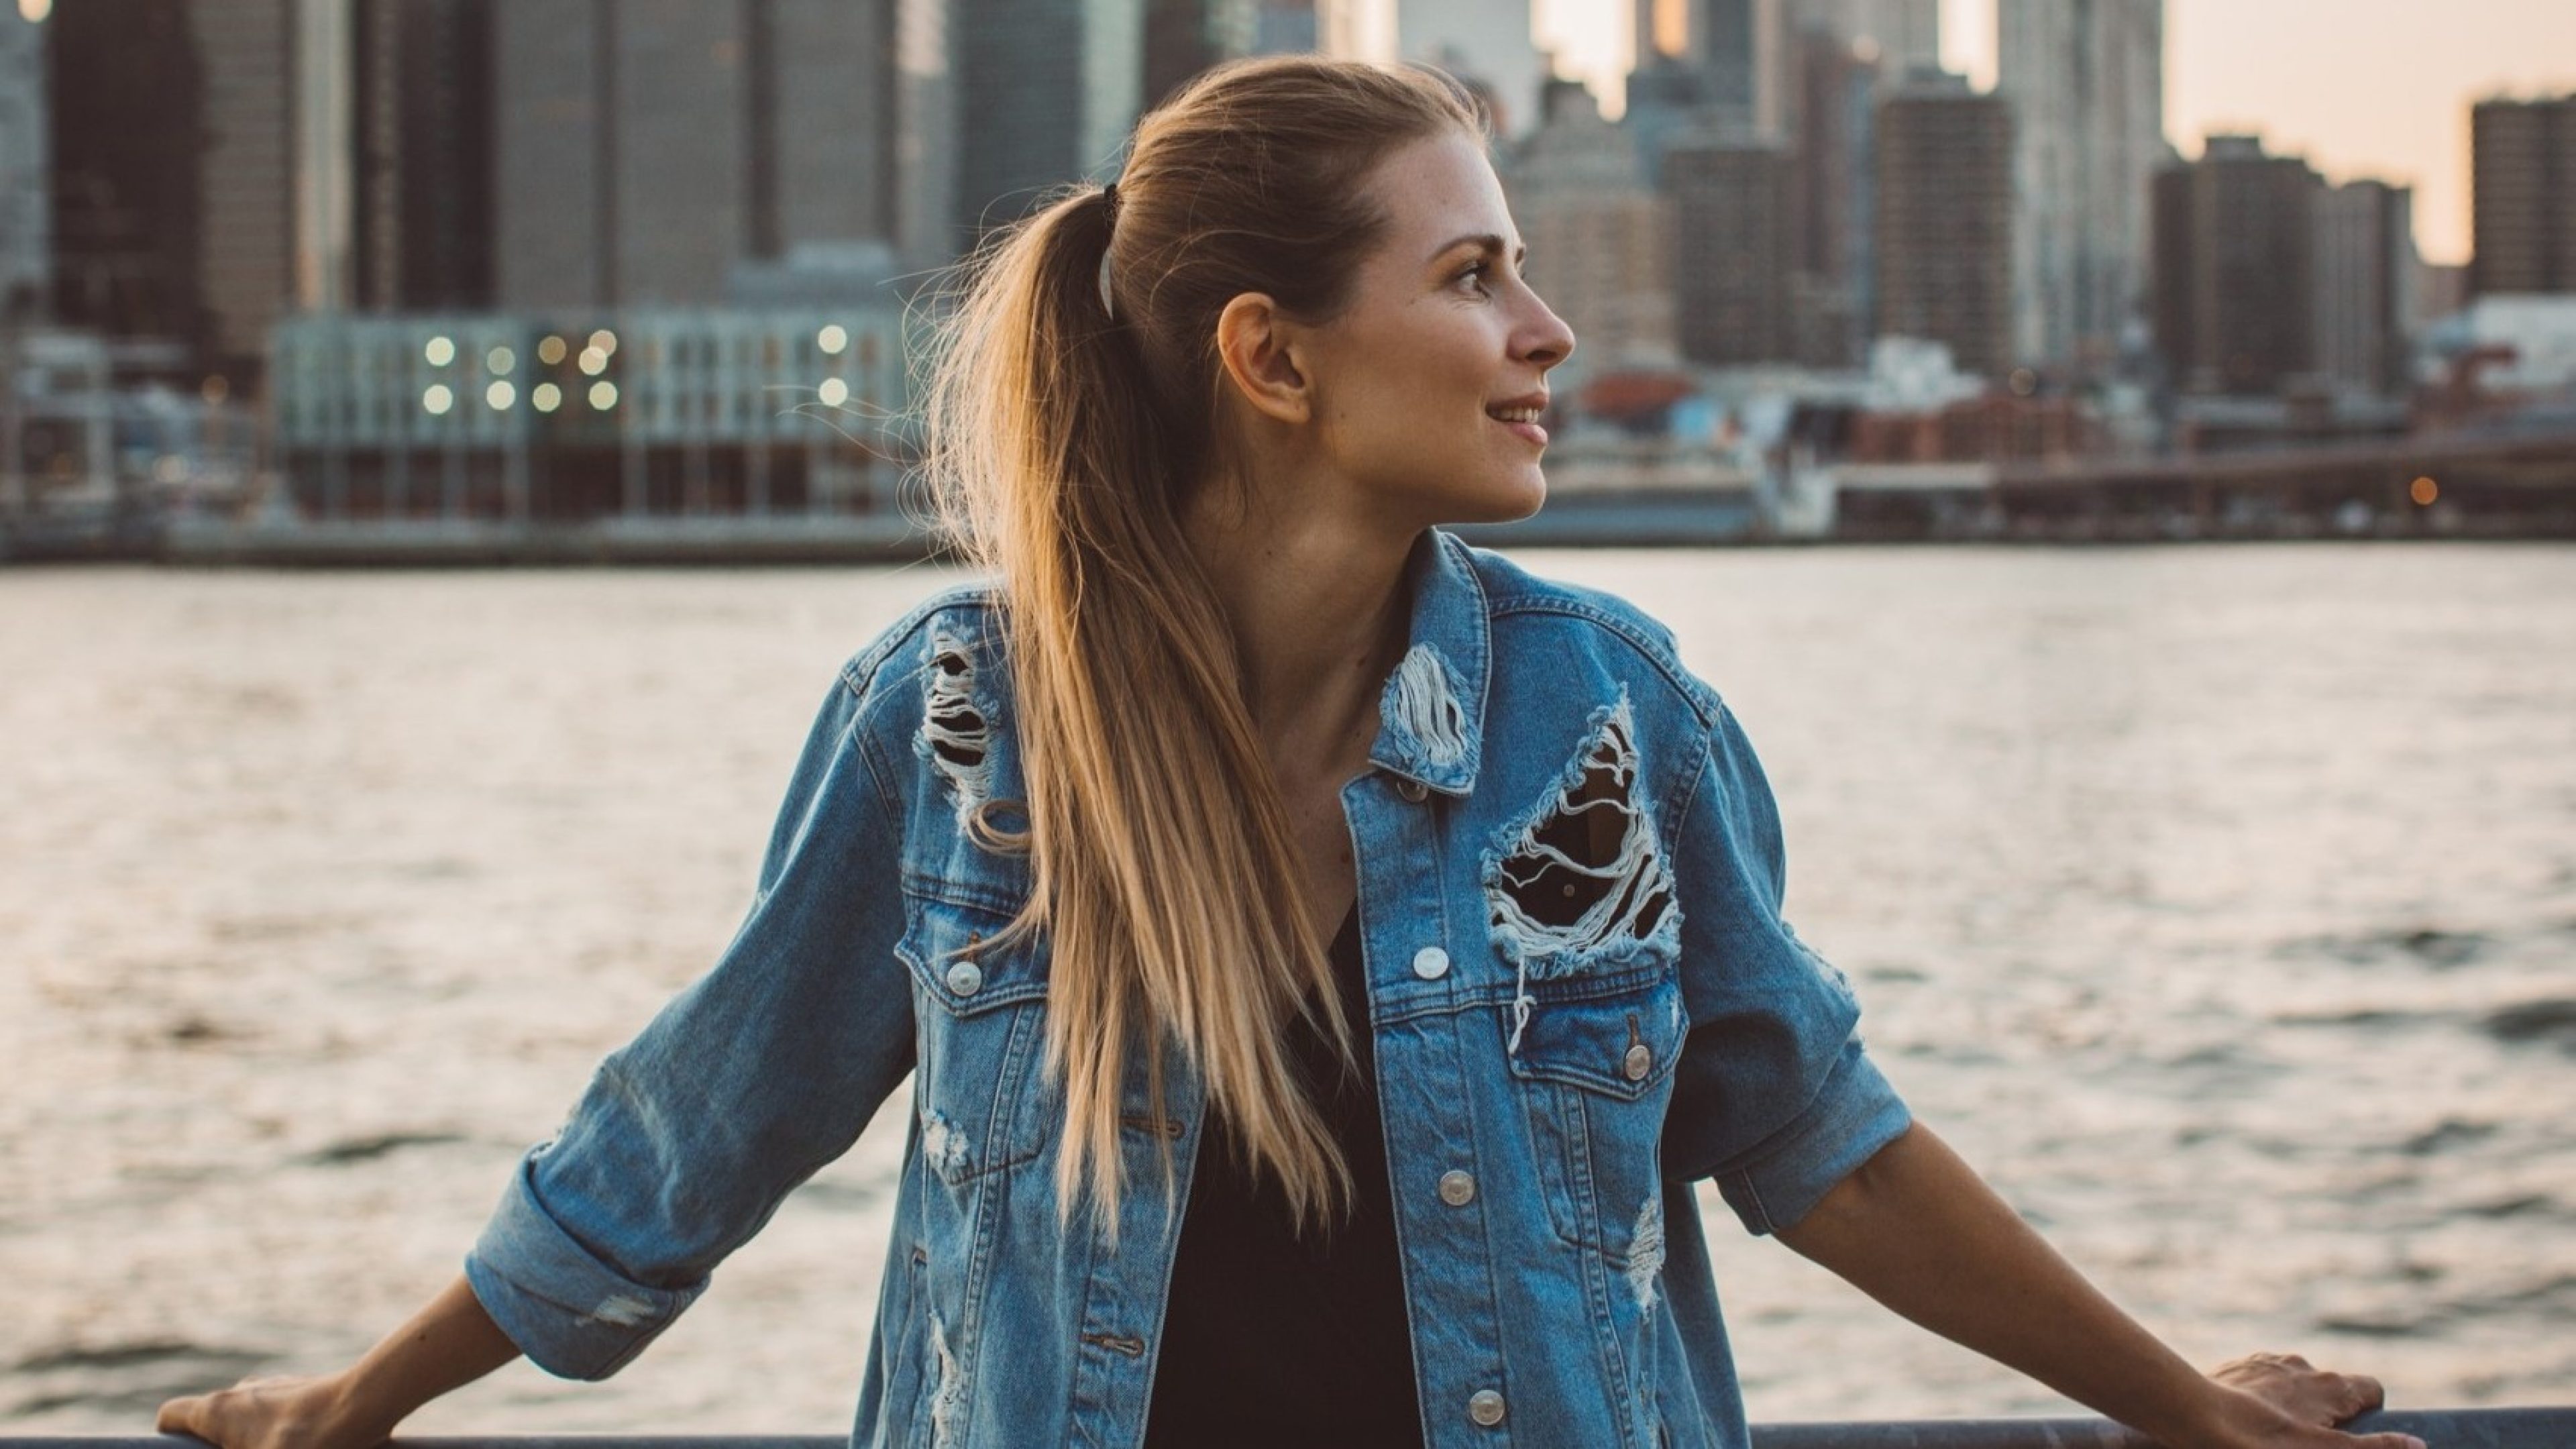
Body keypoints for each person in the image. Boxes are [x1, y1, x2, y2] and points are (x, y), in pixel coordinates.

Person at [158, 56, 2423, 1449]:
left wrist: (2194, 1418)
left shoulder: (1602, 716)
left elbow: (1818, 1137)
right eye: (1470, 279)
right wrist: (358, 1403)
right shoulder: (961, 729)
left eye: (1525, 271)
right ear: (1273, 356)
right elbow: (686, 1134)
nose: (1547, 334)